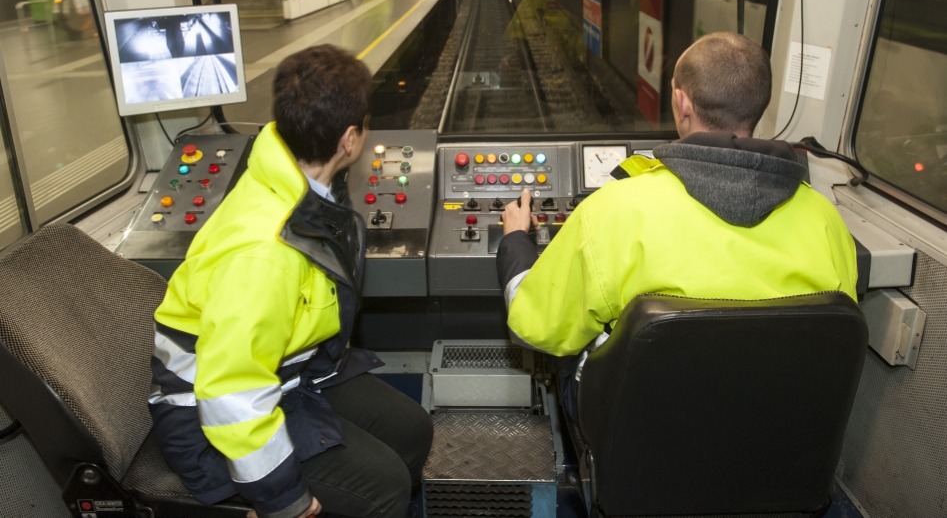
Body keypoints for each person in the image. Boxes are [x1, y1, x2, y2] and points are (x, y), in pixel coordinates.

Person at [496, 31, 858, 420]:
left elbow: (535, 328)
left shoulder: (617, 210)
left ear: (681, 103)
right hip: (770, 429)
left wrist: (516, 242)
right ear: (760, 106)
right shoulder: (825, 220)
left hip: (642, 432)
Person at [148, 45, 433, 518]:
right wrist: (285, 500)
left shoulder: (286, 174)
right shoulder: (266, 255)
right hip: (209, 418)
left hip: (289, 373)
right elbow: (231, 393)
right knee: (384, 487)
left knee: (412, 429)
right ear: (350, 139)